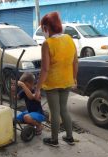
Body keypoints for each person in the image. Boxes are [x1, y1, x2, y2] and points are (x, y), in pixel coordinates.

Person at [35, 11, 78, 147]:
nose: (43, 31)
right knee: (64, 109)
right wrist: (74, 79)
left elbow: (45, 69)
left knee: (55, 112)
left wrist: (37, 88)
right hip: (67, 81)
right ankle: (69, 137)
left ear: (47, 28)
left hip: (52, 83)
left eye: (43, 28)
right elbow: (75, 62)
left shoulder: (47, 44)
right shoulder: (69, 39)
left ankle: (54, 140)